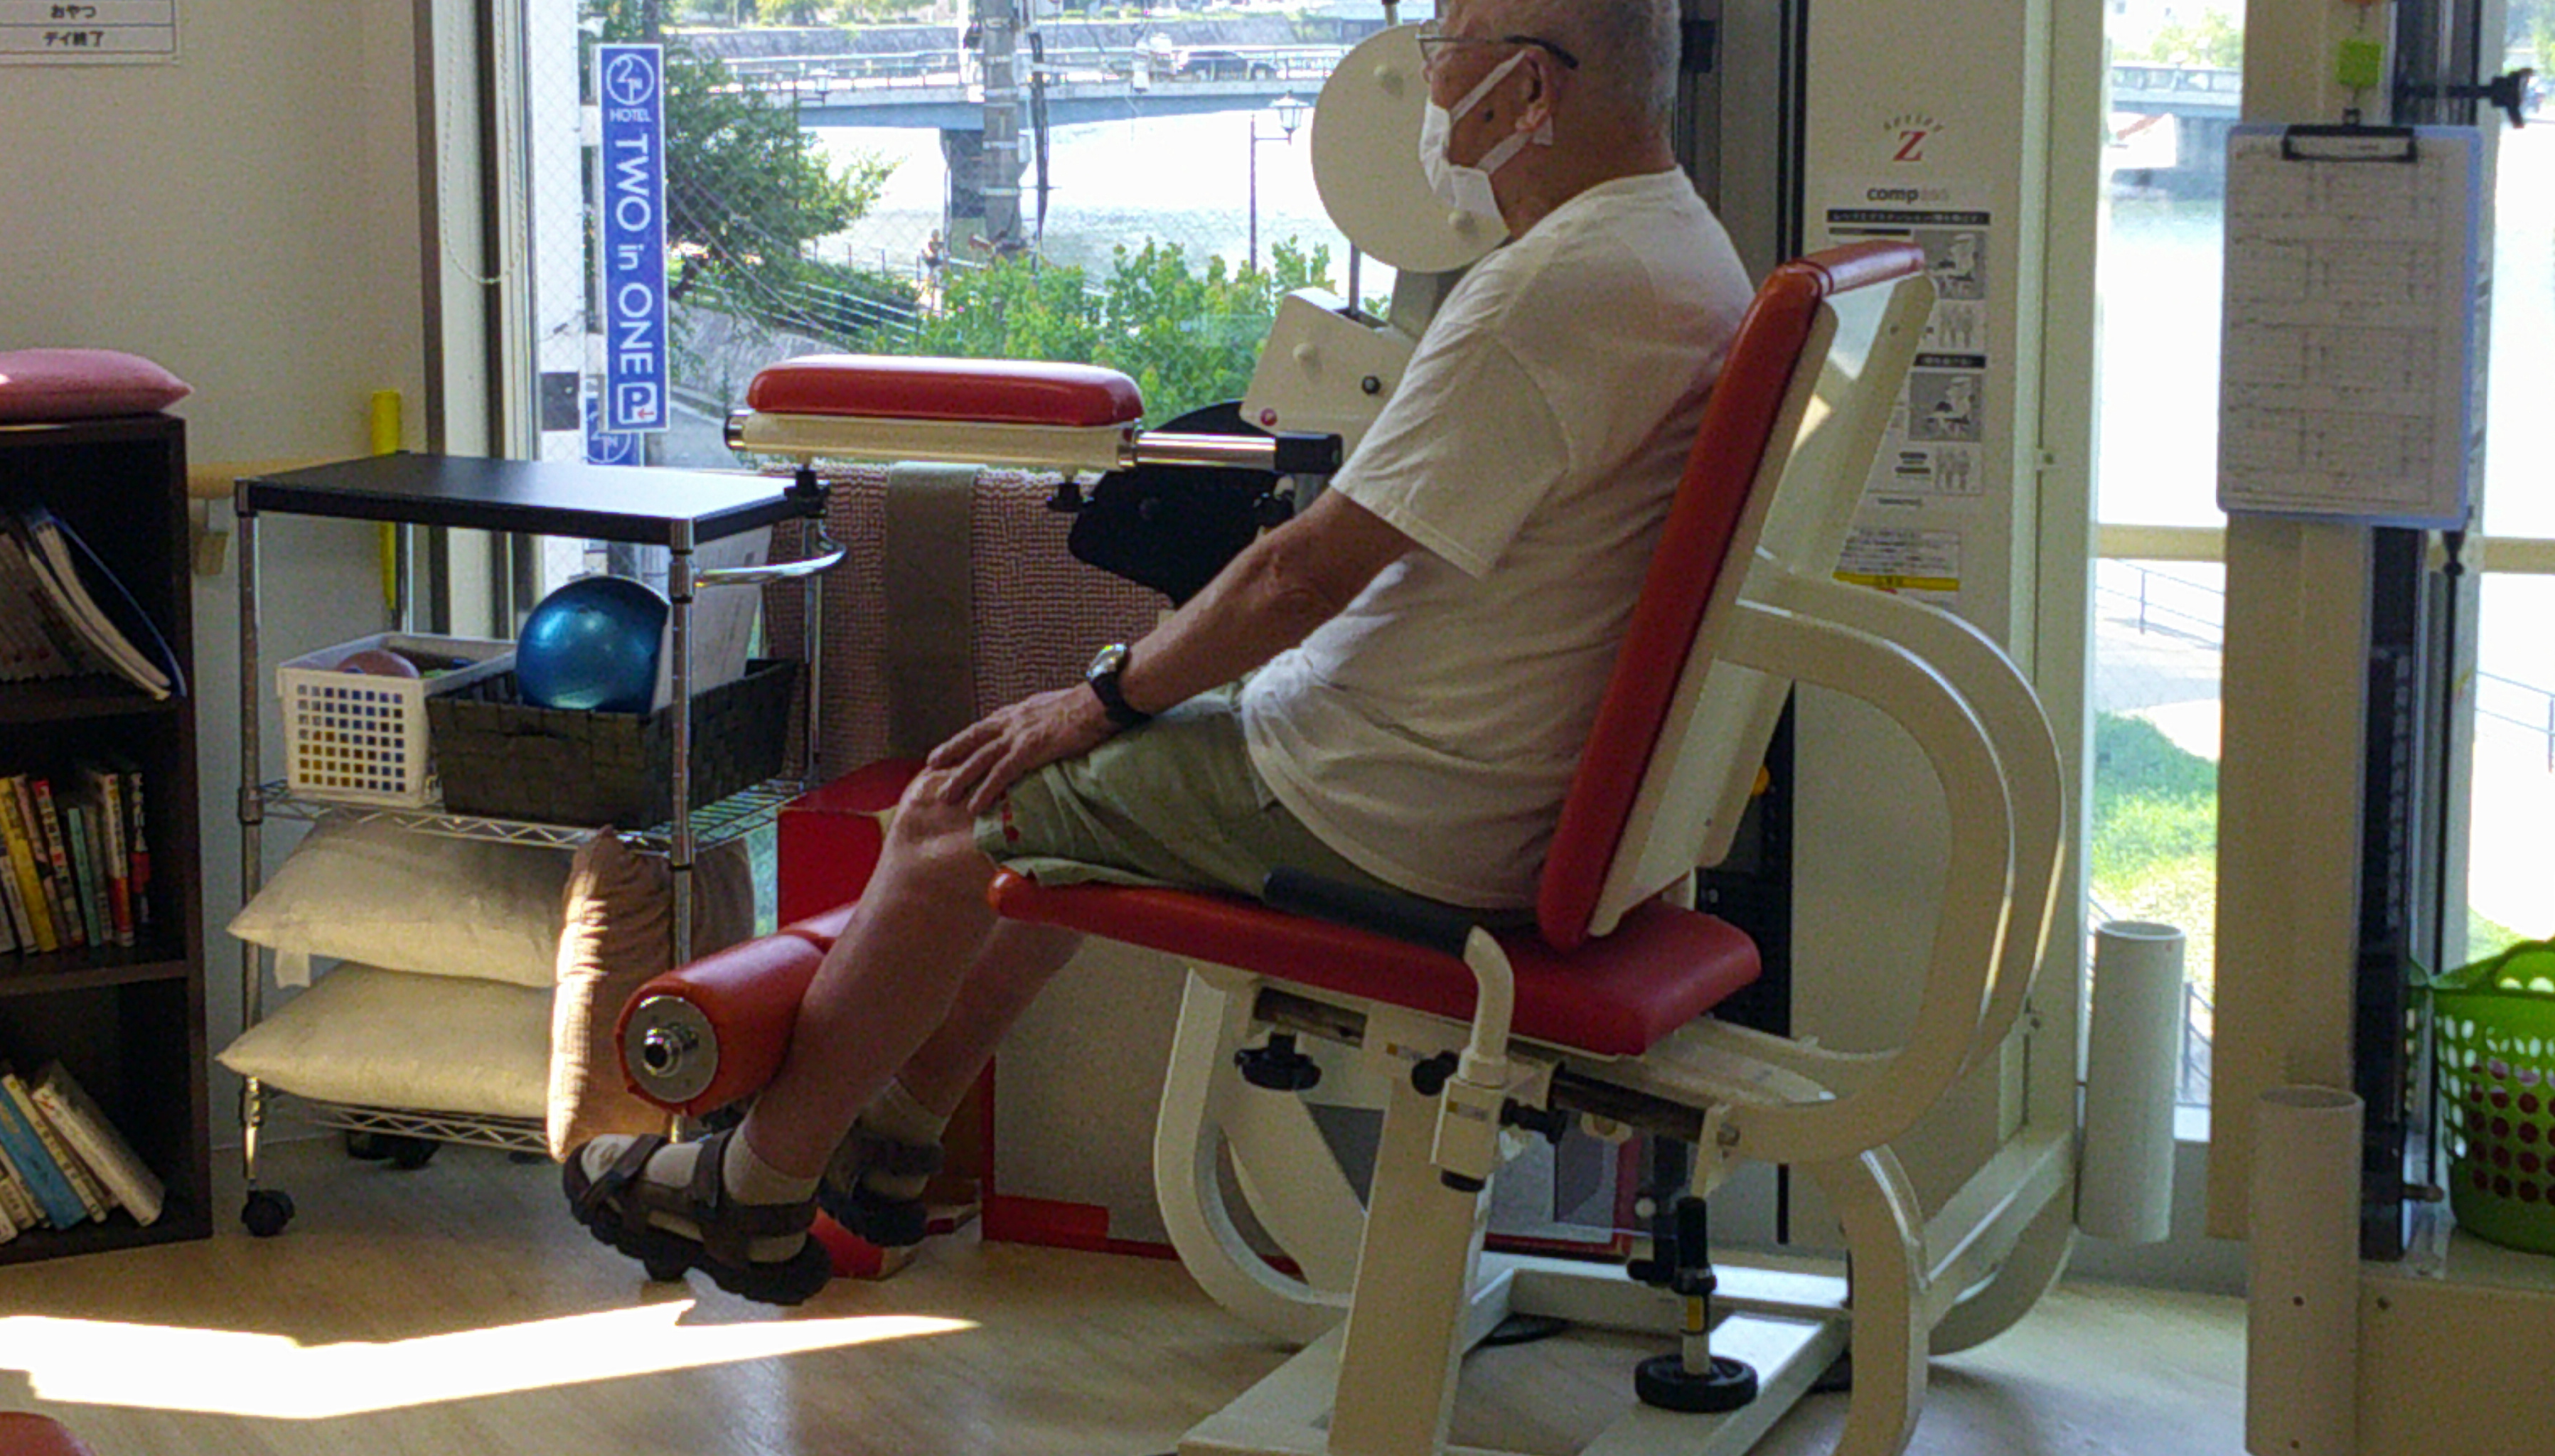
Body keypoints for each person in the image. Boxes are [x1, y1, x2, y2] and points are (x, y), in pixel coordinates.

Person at [564, 0, 1757, 1305]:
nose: (1426, 81)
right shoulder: (1683, 251)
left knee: (956, 808)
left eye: (1445, 46)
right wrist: (1129, 703)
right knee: (1072, 807)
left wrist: (1102, 701)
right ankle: (894, 1140)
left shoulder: (1546, 294)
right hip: (1475, 783)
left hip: (1384, 803)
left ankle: (756, 1185)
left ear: (1526, 93)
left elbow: (1304, 573)